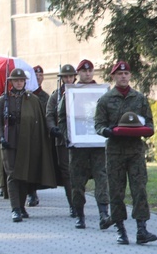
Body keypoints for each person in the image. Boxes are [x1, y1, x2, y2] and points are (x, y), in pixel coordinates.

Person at [94, 60, 157, 246]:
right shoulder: (106, 100)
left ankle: (141, 229)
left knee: (139, 189)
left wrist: (145, 130)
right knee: (116, 190)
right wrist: (108, 131)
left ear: (130, 76)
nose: (123, 76)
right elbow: (99, 125)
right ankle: (120, 229)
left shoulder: (138, 98)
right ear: (113, 76)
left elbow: (149, 123)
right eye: (119, 74)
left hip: (135, 151)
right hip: (115, 151)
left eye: (126, 74)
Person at [0, 68, 57, 222]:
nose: (19, 83)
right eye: (16, 80)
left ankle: (21, 206)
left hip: (27, 142)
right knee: (13, 175)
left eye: (21, 80)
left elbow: (39, 121)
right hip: (10, 142)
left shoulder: (32, 100)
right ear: (11, 82)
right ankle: (15, 208)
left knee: (24, 175)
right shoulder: (4, 99)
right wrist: (1, 138)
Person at [57, 59, 111, 229]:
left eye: (90, 71)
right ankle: (79, 214)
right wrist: (69, 137)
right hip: (78, 146)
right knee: (77, 182)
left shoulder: (102, 92)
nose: (87, 74)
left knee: (102, 178)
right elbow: (61, 118)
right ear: (78, 74)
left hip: (97, 146)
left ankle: (104, 213)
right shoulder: (71, 93)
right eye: (84, 71)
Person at [46, 64, 77, 217]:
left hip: (79, 139)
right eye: (65, 77)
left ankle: (80, 201)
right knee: (66, 172)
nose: (68, 79)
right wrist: (53, 128)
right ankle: (73, 205)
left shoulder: (81, 92)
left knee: (78, 171)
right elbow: (49, 115)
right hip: (62, 139)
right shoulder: (55, 96)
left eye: (70, 76)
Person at [26, 65, 51, 207]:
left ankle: (35, 190)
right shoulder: (27, 96)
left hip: (42, 135)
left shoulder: (45, 97)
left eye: (40, 75)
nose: (38, 78)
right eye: (35, 75)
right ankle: (31, 193)